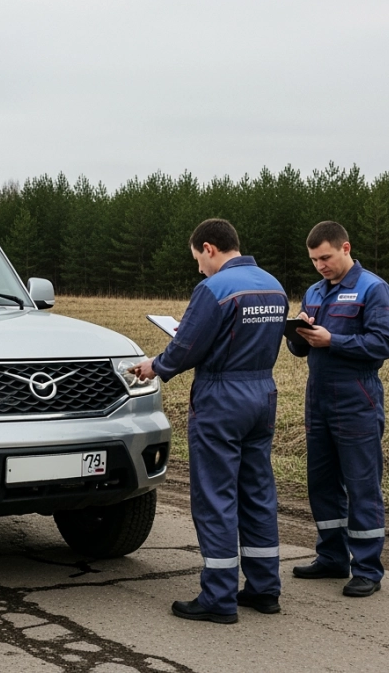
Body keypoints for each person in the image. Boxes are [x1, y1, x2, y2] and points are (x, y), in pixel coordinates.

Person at [132, 218, 288, 624]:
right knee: (257, 492)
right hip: (262, 394)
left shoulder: (213, 289)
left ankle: (218, 597)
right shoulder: (273, 285)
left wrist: (155, 366)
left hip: (222, 397)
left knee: (215, 495)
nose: (198, 267)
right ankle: (264, 588)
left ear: (209, 248)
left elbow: (185, 350)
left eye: (197, 258)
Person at [287, 221, 389, 598]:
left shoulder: (373, 289)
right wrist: (298, 334)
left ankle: (367, 568)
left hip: (356, 399)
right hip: (317, 399)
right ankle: (332, 556)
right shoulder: (314, 292)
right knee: (321, 484)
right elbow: (301, 350)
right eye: (315, 260)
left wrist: (333, 340)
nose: (321, 266)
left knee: (361, 485)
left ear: (345, 248)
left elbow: (383, 344)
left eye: (326, 257)